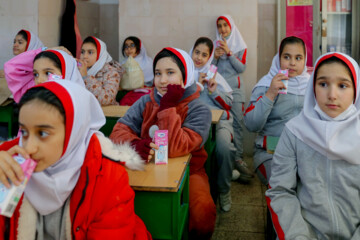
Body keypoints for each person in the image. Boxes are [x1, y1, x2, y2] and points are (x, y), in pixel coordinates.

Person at [0, 80, 151, 239]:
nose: (28, 148)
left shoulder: (107, 179)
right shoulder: (9, 163)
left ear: (74, 132)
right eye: (24, 132)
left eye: (43, 133)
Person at [110, 47, 216, 239]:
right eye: (158, 73)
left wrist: (167, 106)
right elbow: (117, 132)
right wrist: (134, 145)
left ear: (185, 76)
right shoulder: (145, 102)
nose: (163, 80)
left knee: (203, 211)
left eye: (170, 73)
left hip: (189, 172)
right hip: (145, 167)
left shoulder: (199, 109)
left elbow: (175, 148)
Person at [266, 52, 360, 239]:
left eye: (342, 85)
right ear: (313, 88)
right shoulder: (294, 131)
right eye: (323, 84)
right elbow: (280, 190)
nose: (332, 95)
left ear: (356, 90)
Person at [190, 36, 253, 211]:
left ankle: (224, 190)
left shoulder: (214, 75)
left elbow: (228, 104)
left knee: (224, 148)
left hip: (220, 121)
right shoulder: (184, 75)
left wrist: (213, 90)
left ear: (210, 57)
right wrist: (195, 86)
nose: (199, 58)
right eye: (197, 52)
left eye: (204, 54)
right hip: (194, 122)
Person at [243, 36, 309, 186]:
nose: (292, 63)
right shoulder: (266, 85)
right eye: (287, 57)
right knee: (283, 185)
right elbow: (251, 124)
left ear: (305, 61)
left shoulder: (311, 87)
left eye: (298, 58)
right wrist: (270, 94)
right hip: (271, 152)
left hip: (302, 152)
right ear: (278, 59)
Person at [212, 15, 248, 178]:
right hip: (219, 91)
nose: (223, 29)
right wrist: (216, 57)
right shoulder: (214, 46)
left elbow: (241, 68)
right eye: (220, 26)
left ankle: (238, 159)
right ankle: (226, 160)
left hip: (236, 90)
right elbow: (210, 70)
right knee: (222, 124)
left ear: (231, 26)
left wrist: (229, 53)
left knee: (238, 123)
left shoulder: (240, 45)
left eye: (225, 25)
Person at [4, 47, 84, 103]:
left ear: (66, 73)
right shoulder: (35, 95)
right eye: (35, 74)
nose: (39, 80)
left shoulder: (77, 104)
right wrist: (43, 50)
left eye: (48, 73)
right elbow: (10, 67)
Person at [78, 36, 124, 106]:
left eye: (90, 52)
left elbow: (106, 99)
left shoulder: (111, 73)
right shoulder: (78, 69)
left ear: (100, 55)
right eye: (82, 52)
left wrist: (86, 77)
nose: (84, 56)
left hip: (106, 114)